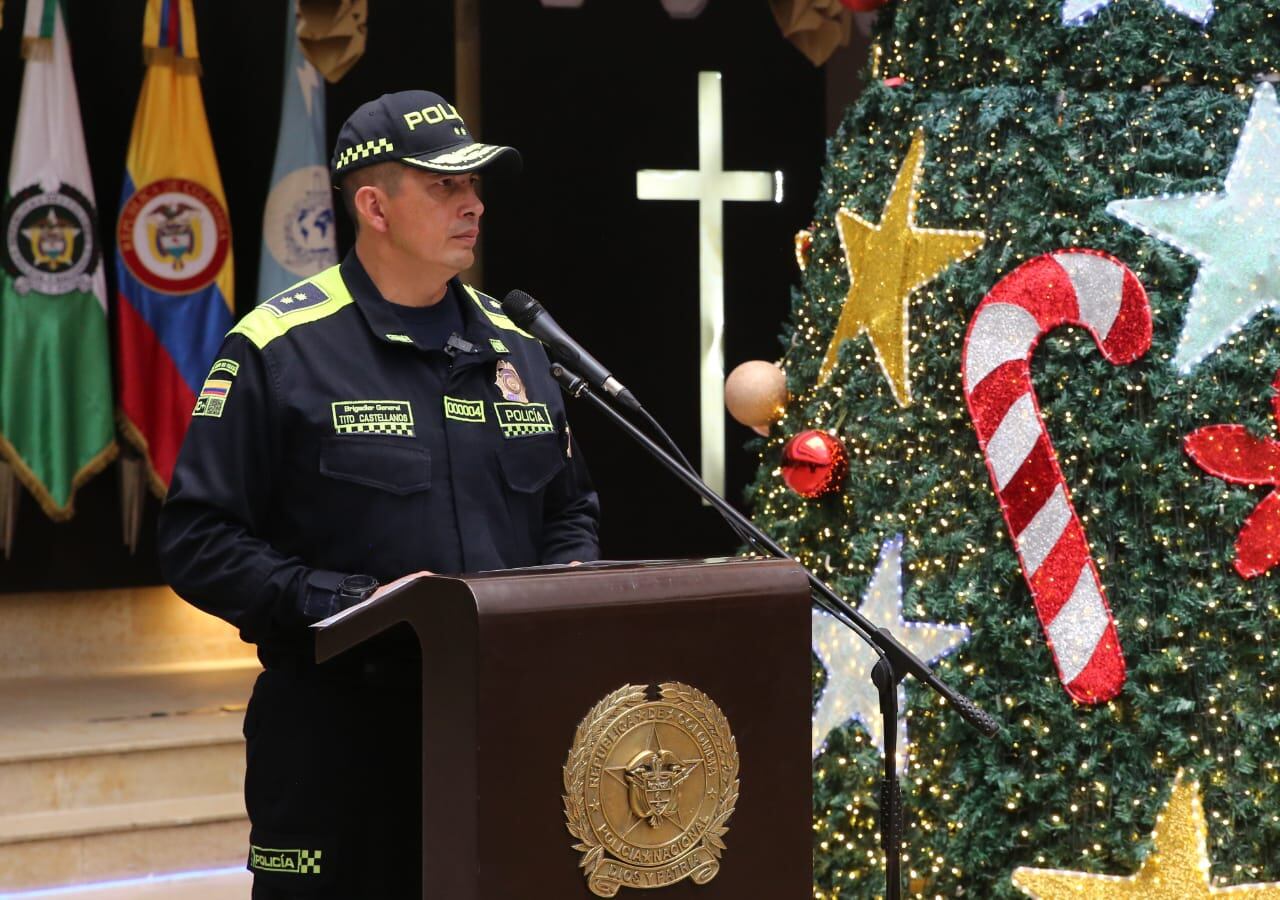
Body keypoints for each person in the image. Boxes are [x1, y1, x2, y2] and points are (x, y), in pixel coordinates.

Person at [158, 89, 600, 898]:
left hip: (502, 725)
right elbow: (198, 539)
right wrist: (350, 601)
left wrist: (567, 582)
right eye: (444, 186)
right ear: (374, 206)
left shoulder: (517, 348)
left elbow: (569, 507)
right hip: (340, 737)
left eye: (474, 184)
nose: (473, 204)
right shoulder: (279, 347)